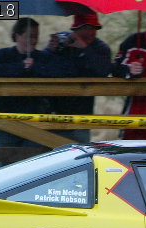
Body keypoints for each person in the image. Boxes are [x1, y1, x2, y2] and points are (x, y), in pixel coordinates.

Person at [0, 18, 69, 151]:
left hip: (36, 120)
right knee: (5, 158)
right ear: (17, 35)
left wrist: (35, 67)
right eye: (29, 36)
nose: (34, 40)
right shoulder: (2, 55)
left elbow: (61, 71)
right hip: (5, 118)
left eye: (36, 36)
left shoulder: (44, 58)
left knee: (34, 159)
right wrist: (21, 67)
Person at [43, 12, 112, 143]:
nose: (91, 32)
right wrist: (51, 50)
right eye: (86, 28)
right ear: (76, 29)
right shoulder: (63, 42)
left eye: (94, 28)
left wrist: (85, 49)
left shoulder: (100, 48)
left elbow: (103, 71)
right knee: (52, 149)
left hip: (82, 112)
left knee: (81, 150)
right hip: (55, 110)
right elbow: (45, 68)